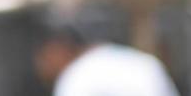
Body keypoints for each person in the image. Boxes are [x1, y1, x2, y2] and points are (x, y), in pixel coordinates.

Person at [35, 10, 180, 96]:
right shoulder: (146, 62)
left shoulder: (78, 76)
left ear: (61, 48)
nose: (43, 66)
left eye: (45, 57)